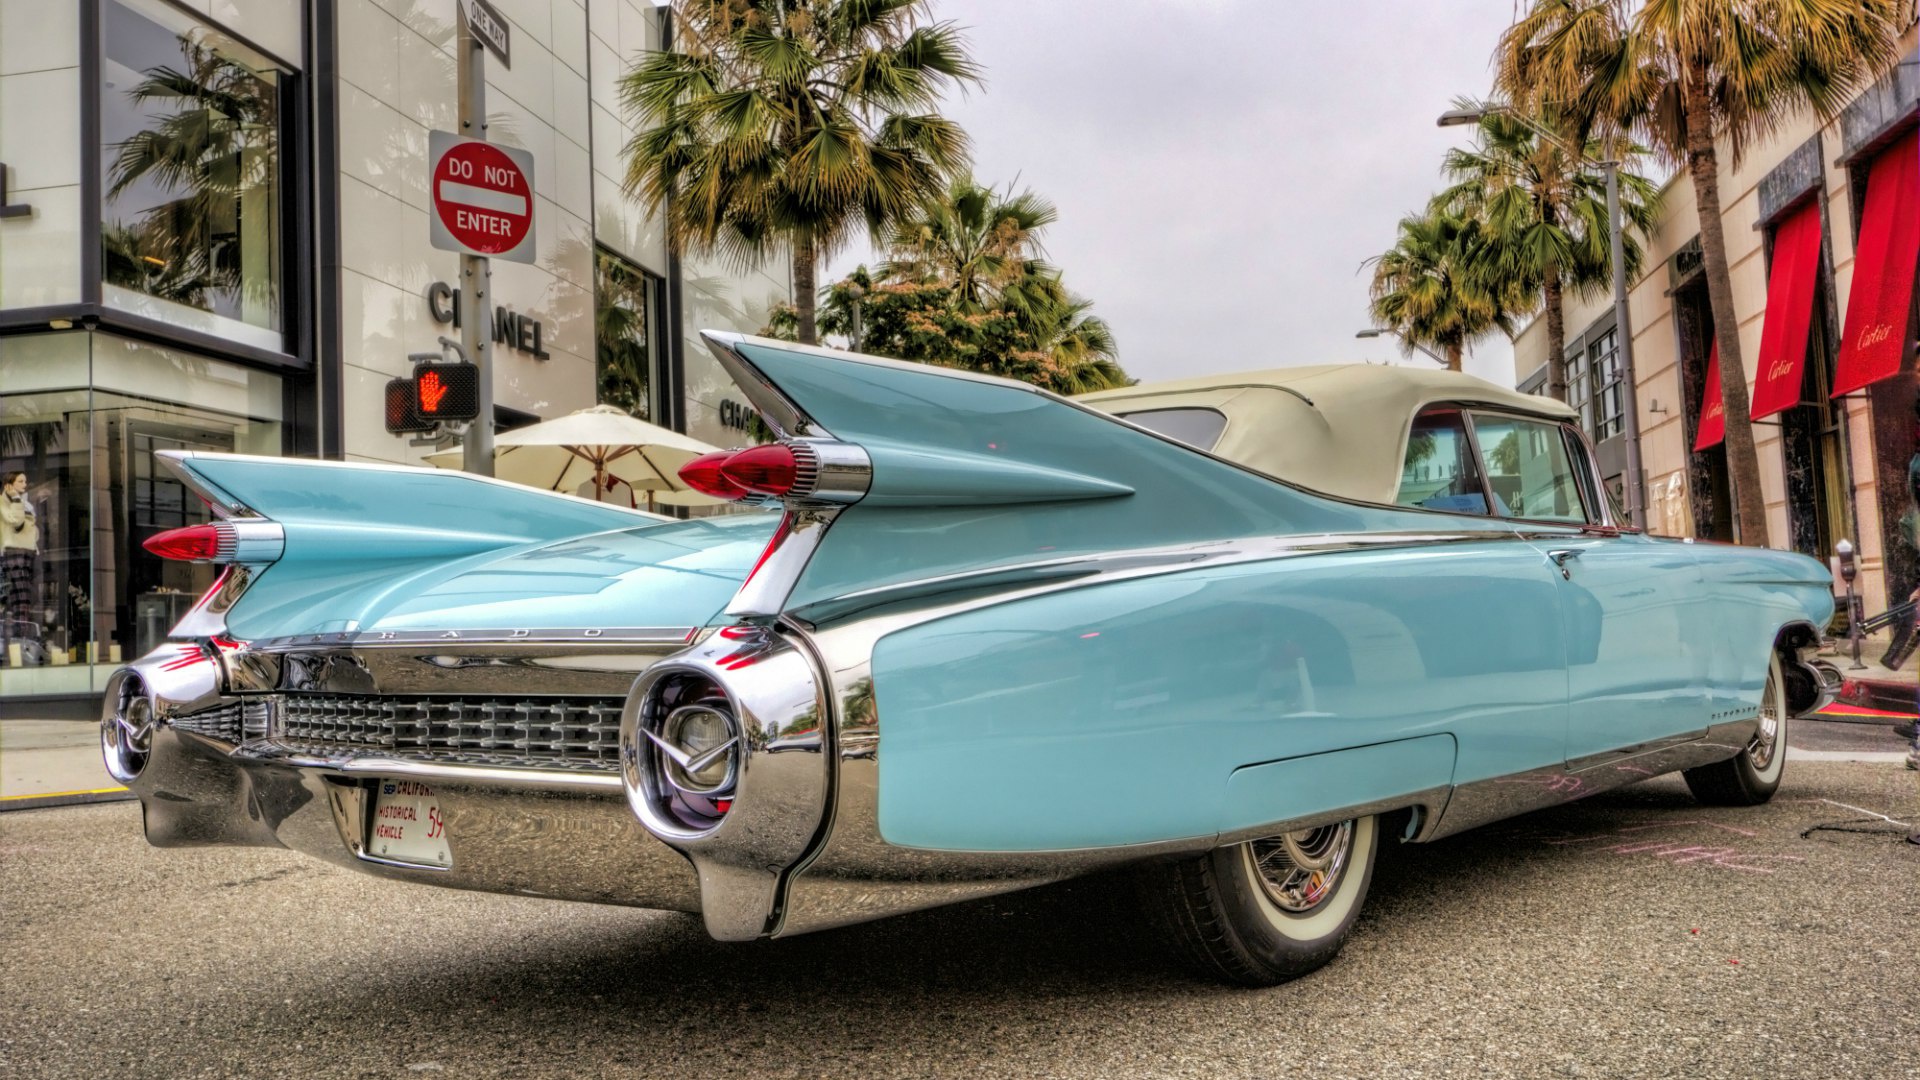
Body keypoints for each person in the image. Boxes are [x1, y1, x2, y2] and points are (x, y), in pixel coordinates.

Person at [2, 471, 38, 646]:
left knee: (22, 598)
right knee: (19, 598)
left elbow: (30, 530)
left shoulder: (25, 503)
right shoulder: (6, 502)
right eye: (20, 481)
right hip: (14, 553)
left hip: (25, 553)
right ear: (10, 484)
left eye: (25, 480)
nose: (25, 484)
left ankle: (20, 637)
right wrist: (15, 498)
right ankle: (20, 637)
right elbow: (17, 523)